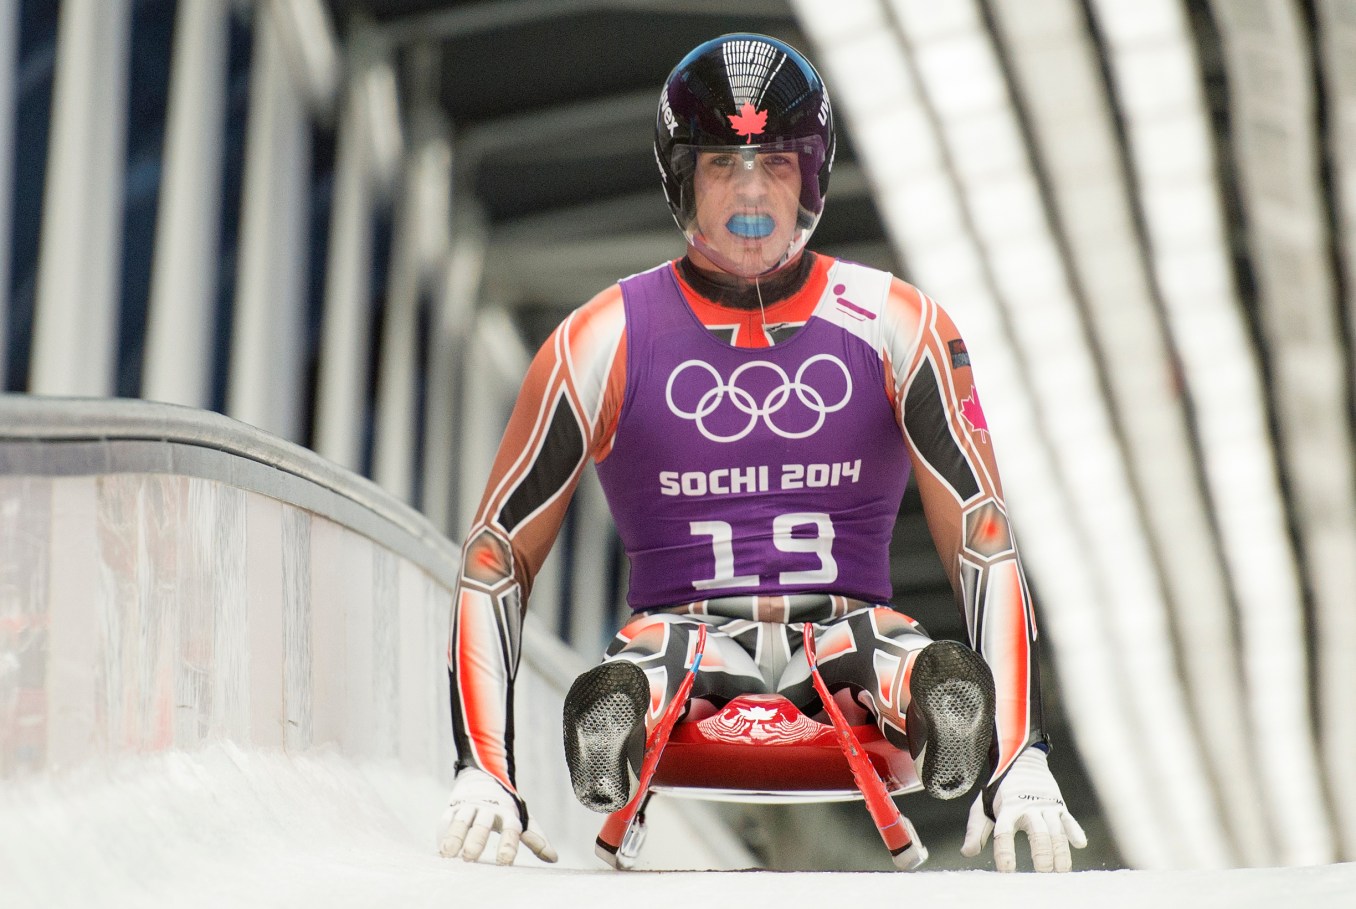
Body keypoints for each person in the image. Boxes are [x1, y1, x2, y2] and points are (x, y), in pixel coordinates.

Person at [437, 33, 1087, 873]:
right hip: (720, 638)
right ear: (683, 179)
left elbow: (982, 535)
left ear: (811, 175)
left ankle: (937, 697)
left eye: (776, 162)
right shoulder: (600, 340)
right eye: (721, 164)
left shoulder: (902, 326)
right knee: (731, 654)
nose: (750, 190)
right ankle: (638, 708)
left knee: (870, 656)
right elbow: (498, 555)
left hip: (805, 633)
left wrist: (1016, 756)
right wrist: (485, 769)